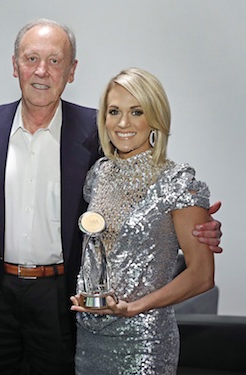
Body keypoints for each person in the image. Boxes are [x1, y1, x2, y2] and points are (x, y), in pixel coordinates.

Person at [0, 19, 223, 375]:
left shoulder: (97, 133)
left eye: (55, 61)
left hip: (64, 302)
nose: (42, 71)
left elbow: (147, 201)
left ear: (72, 71)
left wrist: (198, 231)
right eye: (31, 58)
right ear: (15, 65)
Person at [70, 67, 215, 374]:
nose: (123, 123)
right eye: (114, 111)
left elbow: (202, 275)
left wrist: (133, 307)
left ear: (155, 119)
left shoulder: (177, 182)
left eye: (136, 112)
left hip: (143, 341)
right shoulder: (97, 175)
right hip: (89, 338)